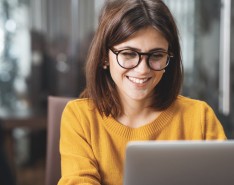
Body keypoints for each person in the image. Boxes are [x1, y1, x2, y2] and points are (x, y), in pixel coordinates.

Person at [58, 0, 226, 184]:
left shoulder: (200, 117)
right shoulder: (80, 118)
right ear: (105, 57)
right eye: (129, 54)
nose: (143, 70)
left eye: (156, 55)